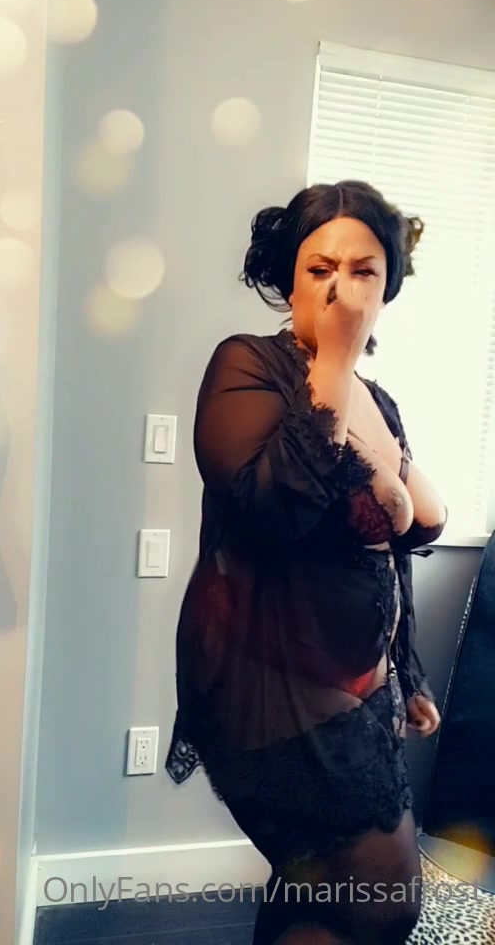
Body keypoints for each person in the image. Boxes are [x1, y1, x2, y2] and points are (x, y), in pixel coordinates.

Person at [165, 181, 446, 945]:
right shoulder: (248, 365)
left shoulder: (380, 402)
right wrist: (336, 357)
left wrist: (408, 675)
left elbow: (396, 552)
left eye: (363, 271)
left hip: (360, 686)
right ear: (288, 276)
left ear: (387, 288)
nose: (340, 289)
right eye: (320, 268)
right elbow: (272, 510)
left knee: (317, 886)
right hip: (269, 682)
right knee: (380, 898)